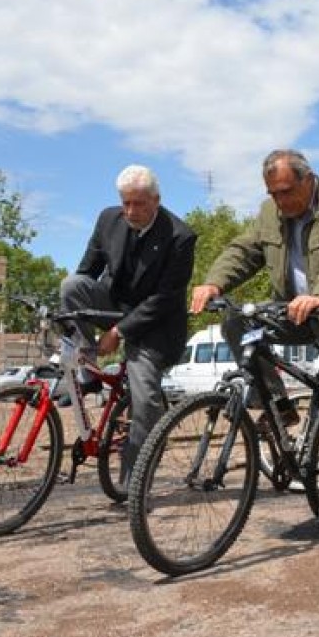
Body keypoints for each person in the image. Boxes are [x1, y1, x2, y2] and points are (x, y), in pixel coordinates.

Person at [190, 150, 319, 548]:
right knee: (236, 322)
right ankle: (279, 404)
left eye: (285, 192)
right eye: (272, 193)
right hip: (295, 313)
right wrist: (214, 283)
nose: (280, 202)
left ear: (307, 179)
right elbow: (244, 250)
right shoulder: (269, 213)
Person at [61, 164, 197, 485]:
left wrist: (119, 332)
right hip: (115, 306)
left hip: (157, 325)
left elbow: (164, 299)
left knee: (146, 400)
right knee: (71, 286)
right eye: (126, 203)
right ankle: (86, 368)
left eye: (139, 204)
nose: (130, 211)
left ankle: (134, 484)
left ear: (156, 200)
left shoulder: (180, 237)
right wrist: (77, 325)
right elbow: (86, 272)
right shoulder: (109, 219)